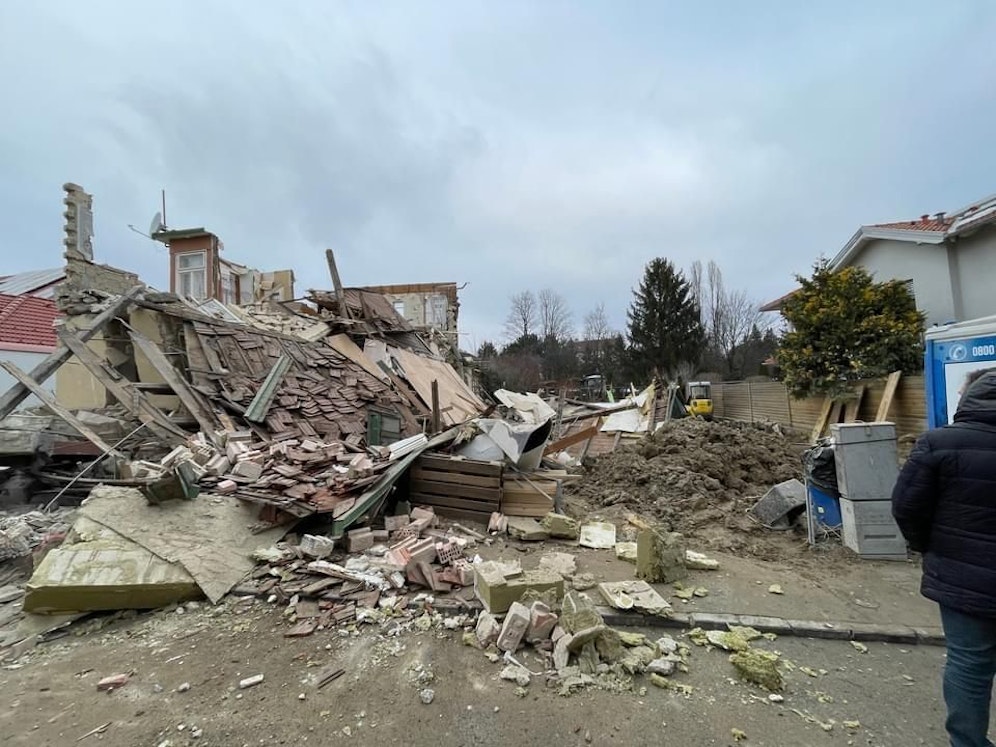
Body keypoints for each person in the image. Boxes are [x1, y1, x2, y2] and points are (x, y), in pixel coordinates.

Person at [893, 367, 996, 747]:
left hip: (962, 578)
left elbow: (907, 507)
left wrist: (929, 547)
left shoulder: (939, 443)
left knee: (969, 664)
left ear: (967, 399)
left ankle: (967, 742)